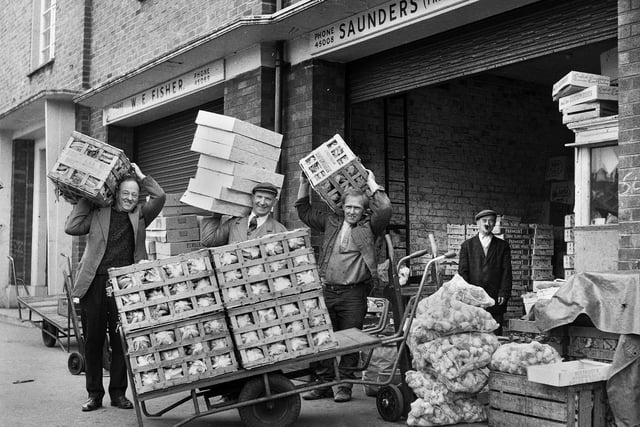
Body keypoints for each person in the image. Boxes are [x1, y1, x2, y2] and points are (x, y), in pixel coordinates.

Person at [65, 163, 166, 412]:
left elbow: (161, 196)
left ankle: (119, 393)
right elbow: (72, 227)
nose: (130, 198)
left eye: (134, 194)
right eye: (126, 193)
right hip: (96, 282)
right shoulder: (99, 212)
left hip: (125, 285)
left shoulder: (141, 215)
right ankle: (94, 394)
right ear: (116, 193)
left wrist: (142, 177)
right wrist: (89, 197)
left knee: (121, 340)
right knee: (93, 340)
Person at [295, 169, 392, 403]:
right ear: (342, 207)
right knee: (323, 339)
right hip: (327, 290)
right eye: (349, 207)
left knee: (349, 341)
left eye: (357, 208)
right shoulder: (331, 221)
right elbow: (304, 212)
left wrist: (371, 180)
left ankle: (344, 386)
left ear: (363, 210)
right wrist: (303, 183)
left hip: (353, 293)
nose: (352, 211)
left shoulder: (370, 226)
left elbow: (386, 208)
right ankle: (324, 385)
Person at [458, 209, 512, 335]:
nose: (487, 224)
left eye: (491, 221)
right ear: (477, 223)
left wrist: (504, 292)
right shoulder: (467, 246)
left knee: (495, 332)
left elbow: (506, 271)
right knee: (474, 334)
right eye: (484, 221)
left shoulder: (502, 246)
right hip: (474, 299)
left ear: (494, 224)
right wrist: (468, 294)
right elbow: (463, 273)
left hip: (495, 297)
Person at [200, 182, 287, 246]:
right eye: (259, 197)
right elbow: (209, 241)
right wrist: (217, 209)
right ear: (252, 198)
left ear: (274, 202)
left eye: (268, 199)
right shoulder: (233, 223)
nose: (262, 202)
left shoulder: (280, 230)